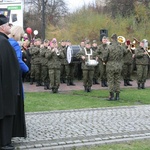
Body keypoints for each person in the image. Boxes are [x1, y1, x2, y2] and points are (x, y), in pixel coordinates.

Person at [0, 14, 20, 150]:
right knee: (5, 110)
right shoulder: (3, 42)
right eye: (8, 25)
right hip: (5, 85)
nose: (10, 27)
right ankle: (4, 141)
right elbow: (9, 66)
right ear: (1, 27)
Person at [8, 25, 29, 138]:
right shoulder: (14, 44)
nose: (22, 37)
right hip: (16, 77)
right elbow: (17, 60)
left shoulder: (7, 42)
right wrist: (27, 69)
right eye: (22, 35)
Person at [103, 34, 126, 100]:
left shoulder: (109, 47)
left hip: (110, 66)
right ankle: (117, 96)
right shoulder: (120, 47)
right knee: (117, 81)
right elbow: (126, 52)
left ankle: (111, 96)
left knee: (110, 81)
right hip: (118, 65)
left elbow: (104, 57)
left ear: (112, 39)